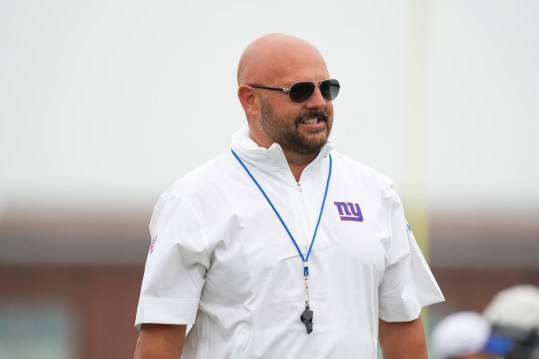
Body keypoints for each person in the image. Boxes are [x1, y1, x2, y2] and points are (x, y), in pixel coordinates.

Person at [133, 33, 444, 359]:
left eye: (327, 88)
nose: (318, 102)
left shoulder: (377, 193)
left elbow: (402, 325)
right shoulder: (192, 200)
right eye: (299, 91)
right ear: (249, 99)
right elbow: (161, 340)